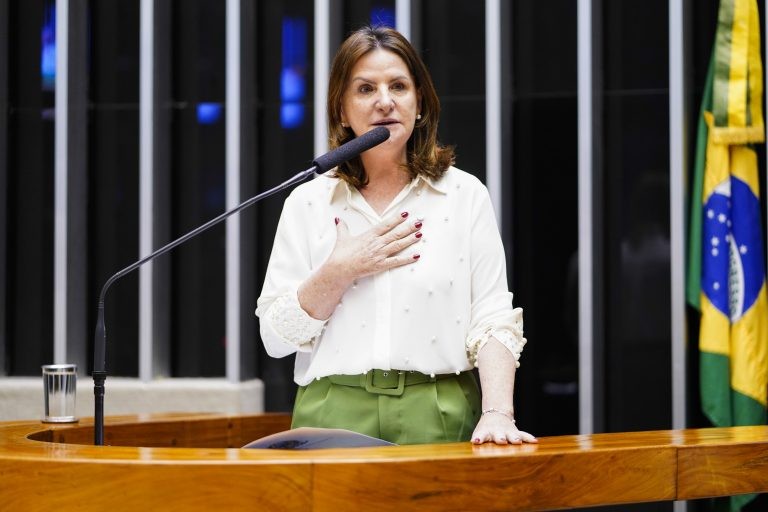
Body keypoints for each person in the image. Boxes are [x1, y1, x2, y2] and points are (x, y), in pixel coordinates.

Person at [256, 26, 535, 446]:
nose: (385, 101)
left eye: (399, 86)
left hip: (437, 408)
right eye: (366, 89)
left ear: (419, 103)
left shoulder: (464, 195)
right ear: (342, 110)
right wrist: (340, 270)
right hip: (332, 410)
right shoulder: (309, 201)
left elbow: (493, 317)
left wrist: (498, 412)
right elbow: (275, 339)